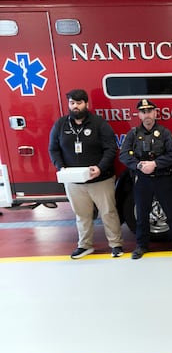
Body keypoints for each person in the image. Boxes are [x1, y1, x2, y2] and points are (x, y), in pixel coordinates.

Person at [49, 89, 124, 259]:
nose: (75, 106)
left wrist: (100, 168)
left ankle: (116, 244)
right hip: (74, 181)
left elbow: (111, 148)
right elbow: (53, 149)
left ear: (86, 104)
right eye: (72, 103)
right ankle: (85, 245)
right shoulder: (60, 125)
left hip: (100, 180)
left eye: (79, 103)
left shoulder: (99, 124)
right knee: (82, 215)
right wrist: (61, 167)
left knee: (108, 212)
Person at [119, 99, 172, 259]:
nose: (147, 115)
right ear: (139, 115)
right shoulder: (133, 134)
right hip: (142, 180)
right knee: (141, 215)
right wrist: (140, 166)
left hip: (162, 179)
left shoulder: (164, 133)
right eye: (143, 112)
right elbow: (123, 155)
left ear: (155, 113)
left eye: (149, 111)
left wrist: (155, 164)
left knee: (171, 212)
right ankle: (141, 246)